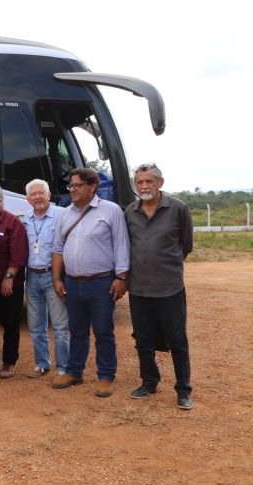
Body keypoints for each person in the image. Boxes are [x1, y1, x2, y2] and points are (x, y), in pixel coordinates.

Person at [51, 167, 130, 398]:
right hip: (73, 283)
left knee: (104, 331)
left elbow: (121, 245)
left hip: (101, 283)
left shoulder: (111, 211)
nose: (72, 190)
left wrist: (122, 278)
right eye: (71, 186)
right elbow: (57, 248)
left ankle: (106, 376)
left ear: (92, 186)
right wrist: (57, 279)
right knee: (76, 331)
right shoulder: (66, 214)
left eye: (77, 185)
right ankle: (74, 371)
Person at [125, 163, 194, 409]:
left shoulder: (178, 209)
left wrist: (166, 267)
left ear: (160, 183)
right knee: (143, 339)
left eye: (149, 181)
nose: (144, 186)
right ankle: (149, 382)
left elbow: (185, 245)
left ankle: (183, 389)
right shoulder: (130, 212)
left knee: (177, 340)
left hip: (169, 288)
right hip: (139, 289)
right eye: (140, 182)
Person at [22, 179, 70, 378]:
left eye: (41, 193)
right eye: (33, 194)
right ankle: (42, 363)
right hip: (32, 277)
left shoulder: (62, 215)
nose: (38, 197)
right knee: (36, 325)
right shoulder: (25, 218)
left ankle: (63, 368)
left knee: (60, 325)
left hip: (54, 276)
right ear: (28, 199)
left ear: (49, 195)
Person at [0, 185, 28, 378]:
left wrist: (9, 277)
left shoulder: (12, 222)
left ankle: (9, 361)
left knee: (10, 323)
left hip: (9, 285)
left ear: (3, 201)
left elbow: (19, 254)